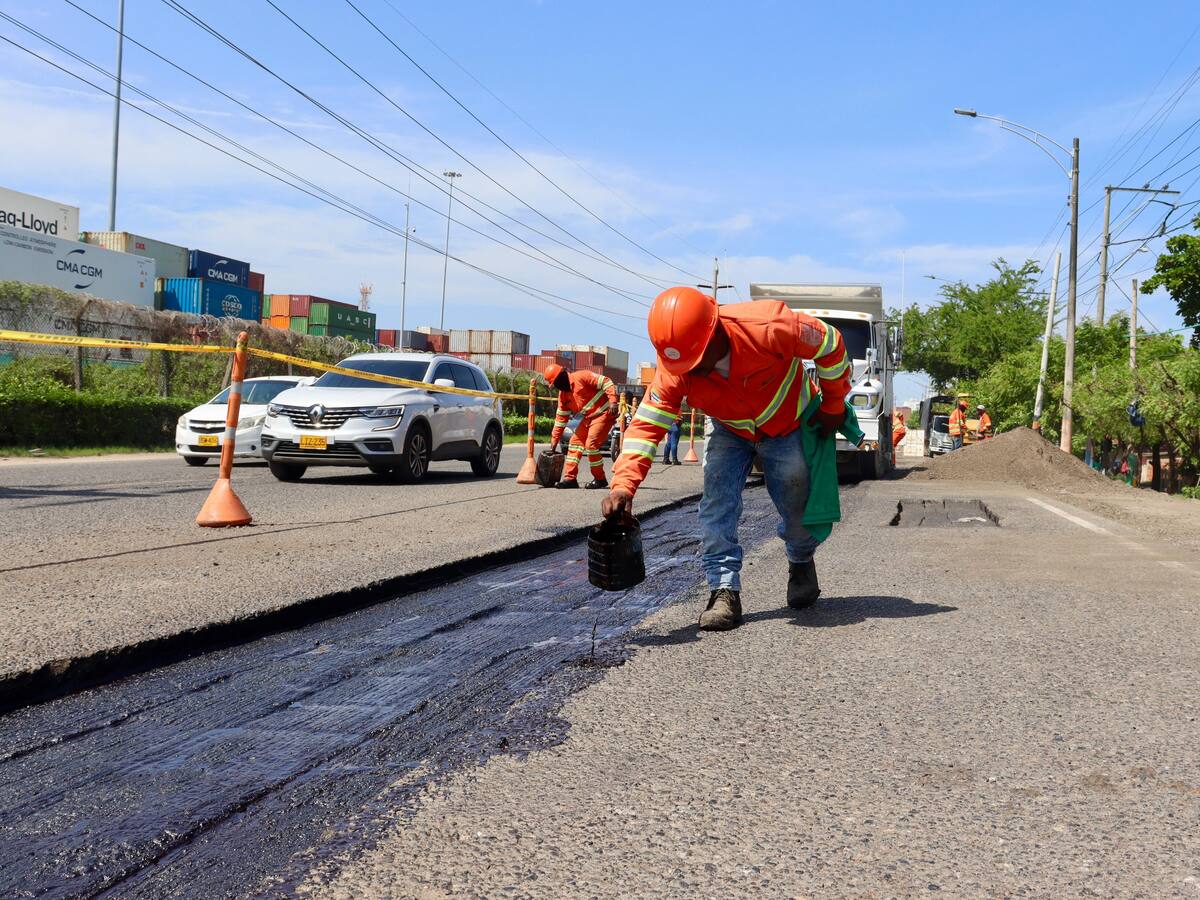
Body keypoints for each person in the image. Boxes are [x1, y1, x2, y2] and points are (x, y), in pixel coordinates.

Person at [601, 286, 859, 632]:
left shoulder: (769, 326)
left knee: (798, 502)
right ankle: (723, 591)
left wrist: (832, 404)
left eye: (697, 362)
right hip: (729, 428)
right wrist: (623, 487)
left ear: (715, 332)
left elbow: (831, 344)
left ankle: (800, 560)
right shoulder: (677, 365)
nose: (692, 372)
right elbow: (647, 423)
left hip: (787, 425)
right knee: (717, 501)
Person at [545, 364, 618, 489]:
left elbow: (606, 382)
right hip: (588, 418)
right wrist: (554, 443)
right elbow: (560, 421)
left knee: (591, 444)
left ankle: (600, 479)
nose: (557, 387)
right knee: (574, 443)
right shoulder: (563, 396)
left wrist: (613, 402)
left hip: (604, 413)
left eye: (556, 383)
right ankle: (570, 479)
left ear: (562, 376)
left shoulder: (582, 376)